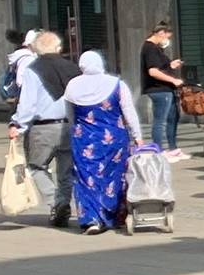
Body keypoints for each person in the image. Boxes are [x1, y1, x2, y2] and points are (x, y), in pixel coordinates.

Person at [61, 51, 143, 235]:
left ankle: (90, 219)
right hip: (114, 138)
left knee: (86, 178)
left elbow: (70, 116)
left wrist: (78, 131)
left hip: (85, 138)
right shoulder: (116, 84)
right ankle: (110, 215)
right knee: (113, 176)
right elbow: (129, 112)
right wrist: (138, 137)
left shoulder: (72, 85)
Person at [10, 31, 80, 228]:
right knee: (66, 171)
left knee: (36, 167)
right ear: (59, 48)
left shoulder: (34, 70)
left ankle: (56, 201)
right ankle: (63, 203)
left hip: (42, 128)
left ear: (36, 48)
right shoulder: (73, 69)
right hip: (69, 125)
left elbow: (28, 104)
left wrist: (18, 124)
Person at [139, 24, 184, 156]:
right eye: (167, 36)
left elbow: (159, 67)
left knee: (172, 117)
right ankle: (158, 149)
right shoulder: (150, 48)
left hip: (165, 89)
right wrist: (173, 80)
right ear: (160, 33)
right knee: (160, 120)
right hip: (159, 89)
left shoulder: (156, 49)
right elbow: (153, 71)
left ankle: (173, 148)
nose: (167, 40)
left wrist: (170, 65)